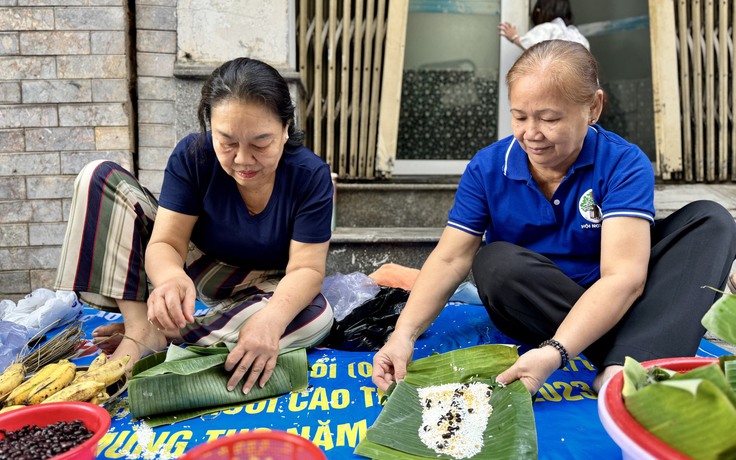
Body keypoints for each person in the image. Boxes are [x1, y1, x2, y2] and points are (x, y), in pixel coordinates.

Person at [371, 40, 736, 396]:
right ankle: (640, 351)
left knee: (711, 221)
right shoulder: (487, 168)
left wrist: (554, 354)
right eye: (519, 116)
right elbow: (451, 259)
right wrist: (402, 336)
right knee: (495, 262)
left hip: (615, 295)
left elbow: (624, 278)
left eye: (549, 118)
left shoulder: (623, 162)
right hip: (539, 309)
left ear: (593, 107)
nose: (532, 133)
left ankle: (617, 367)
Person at [54, 57, 335, 394]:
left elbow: (306, 268)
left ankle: (162, 334)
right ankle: (139, 327)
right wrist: (170, 278)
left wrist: (271, 321)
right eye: (227, 142)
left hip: (261, 286)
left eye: (261, 143)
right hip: (195, 267)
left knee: (317, 316)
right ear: (209, 128)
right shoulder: (193, 156)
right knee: (98, 177)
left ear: (286, 128)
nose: (243, 160)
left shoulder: (310, 176)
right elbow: (167, 244)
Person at [498, 0, 589, 51]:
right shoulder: (577, 35)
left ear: (540, 11)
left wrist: (514, 37)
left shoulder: (548, 28)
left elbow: (531, 44)